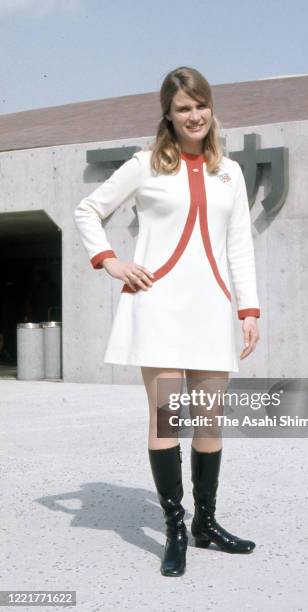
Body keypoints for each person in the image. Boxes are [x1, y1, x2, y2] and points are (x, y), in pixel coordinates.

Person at [74, 66, 261, 577]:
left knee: (208, 422)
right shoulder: (144, 165)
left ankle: (207, 524)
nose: (194, 115)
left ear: (211, 109)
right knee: (166, 421)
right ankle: (175, 530)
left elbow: (239, 245)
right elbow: (88, 210)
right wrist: (111, 261)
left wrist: (249, 309)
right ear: (169, 115)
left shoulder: (231, 171)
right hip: (156, 306)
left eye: (200, 105)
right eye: (183, 108)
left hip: (210, 309)